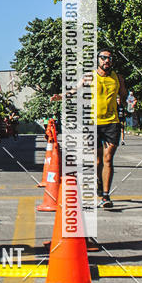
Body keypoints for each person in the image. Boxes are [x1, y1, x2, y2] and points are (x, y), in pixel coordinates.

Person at [52, 47, 127, 208]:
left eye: (109, 58)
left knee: (108, 159)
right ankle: (99, 181)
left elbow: (123, 95)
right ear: (98, 60)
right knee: (97, 160)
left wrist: (124, 101)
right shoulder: (89, 77)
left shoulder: (118, 78)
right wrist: (61, 96)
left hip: (112, 122)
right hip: (92, 123)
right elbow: (75, 90)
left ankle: (106, 196)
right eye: (103, 58)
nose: (107, 61)